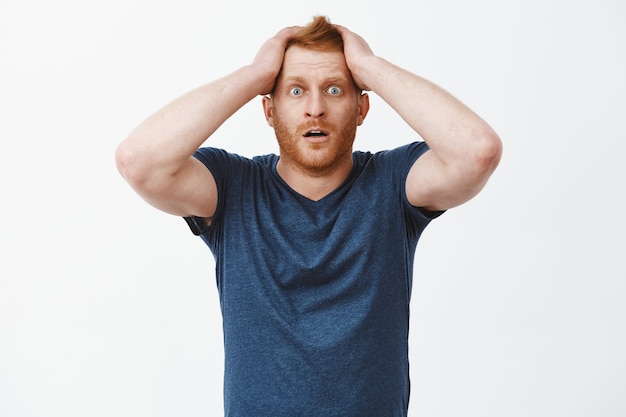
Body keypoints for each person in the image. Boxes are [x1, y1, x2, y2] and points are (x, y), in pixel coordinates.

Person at [116, 15, 502, 417]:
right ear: (269, 110)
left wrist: (370, 66)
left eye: (334, 90)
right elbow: (138, 162)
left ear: (361, 107)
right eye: (296, 91)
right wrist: (255, 75)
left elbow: (477, 152)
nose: (315, 109)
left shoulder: (393, 183)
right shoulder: (232, 187)